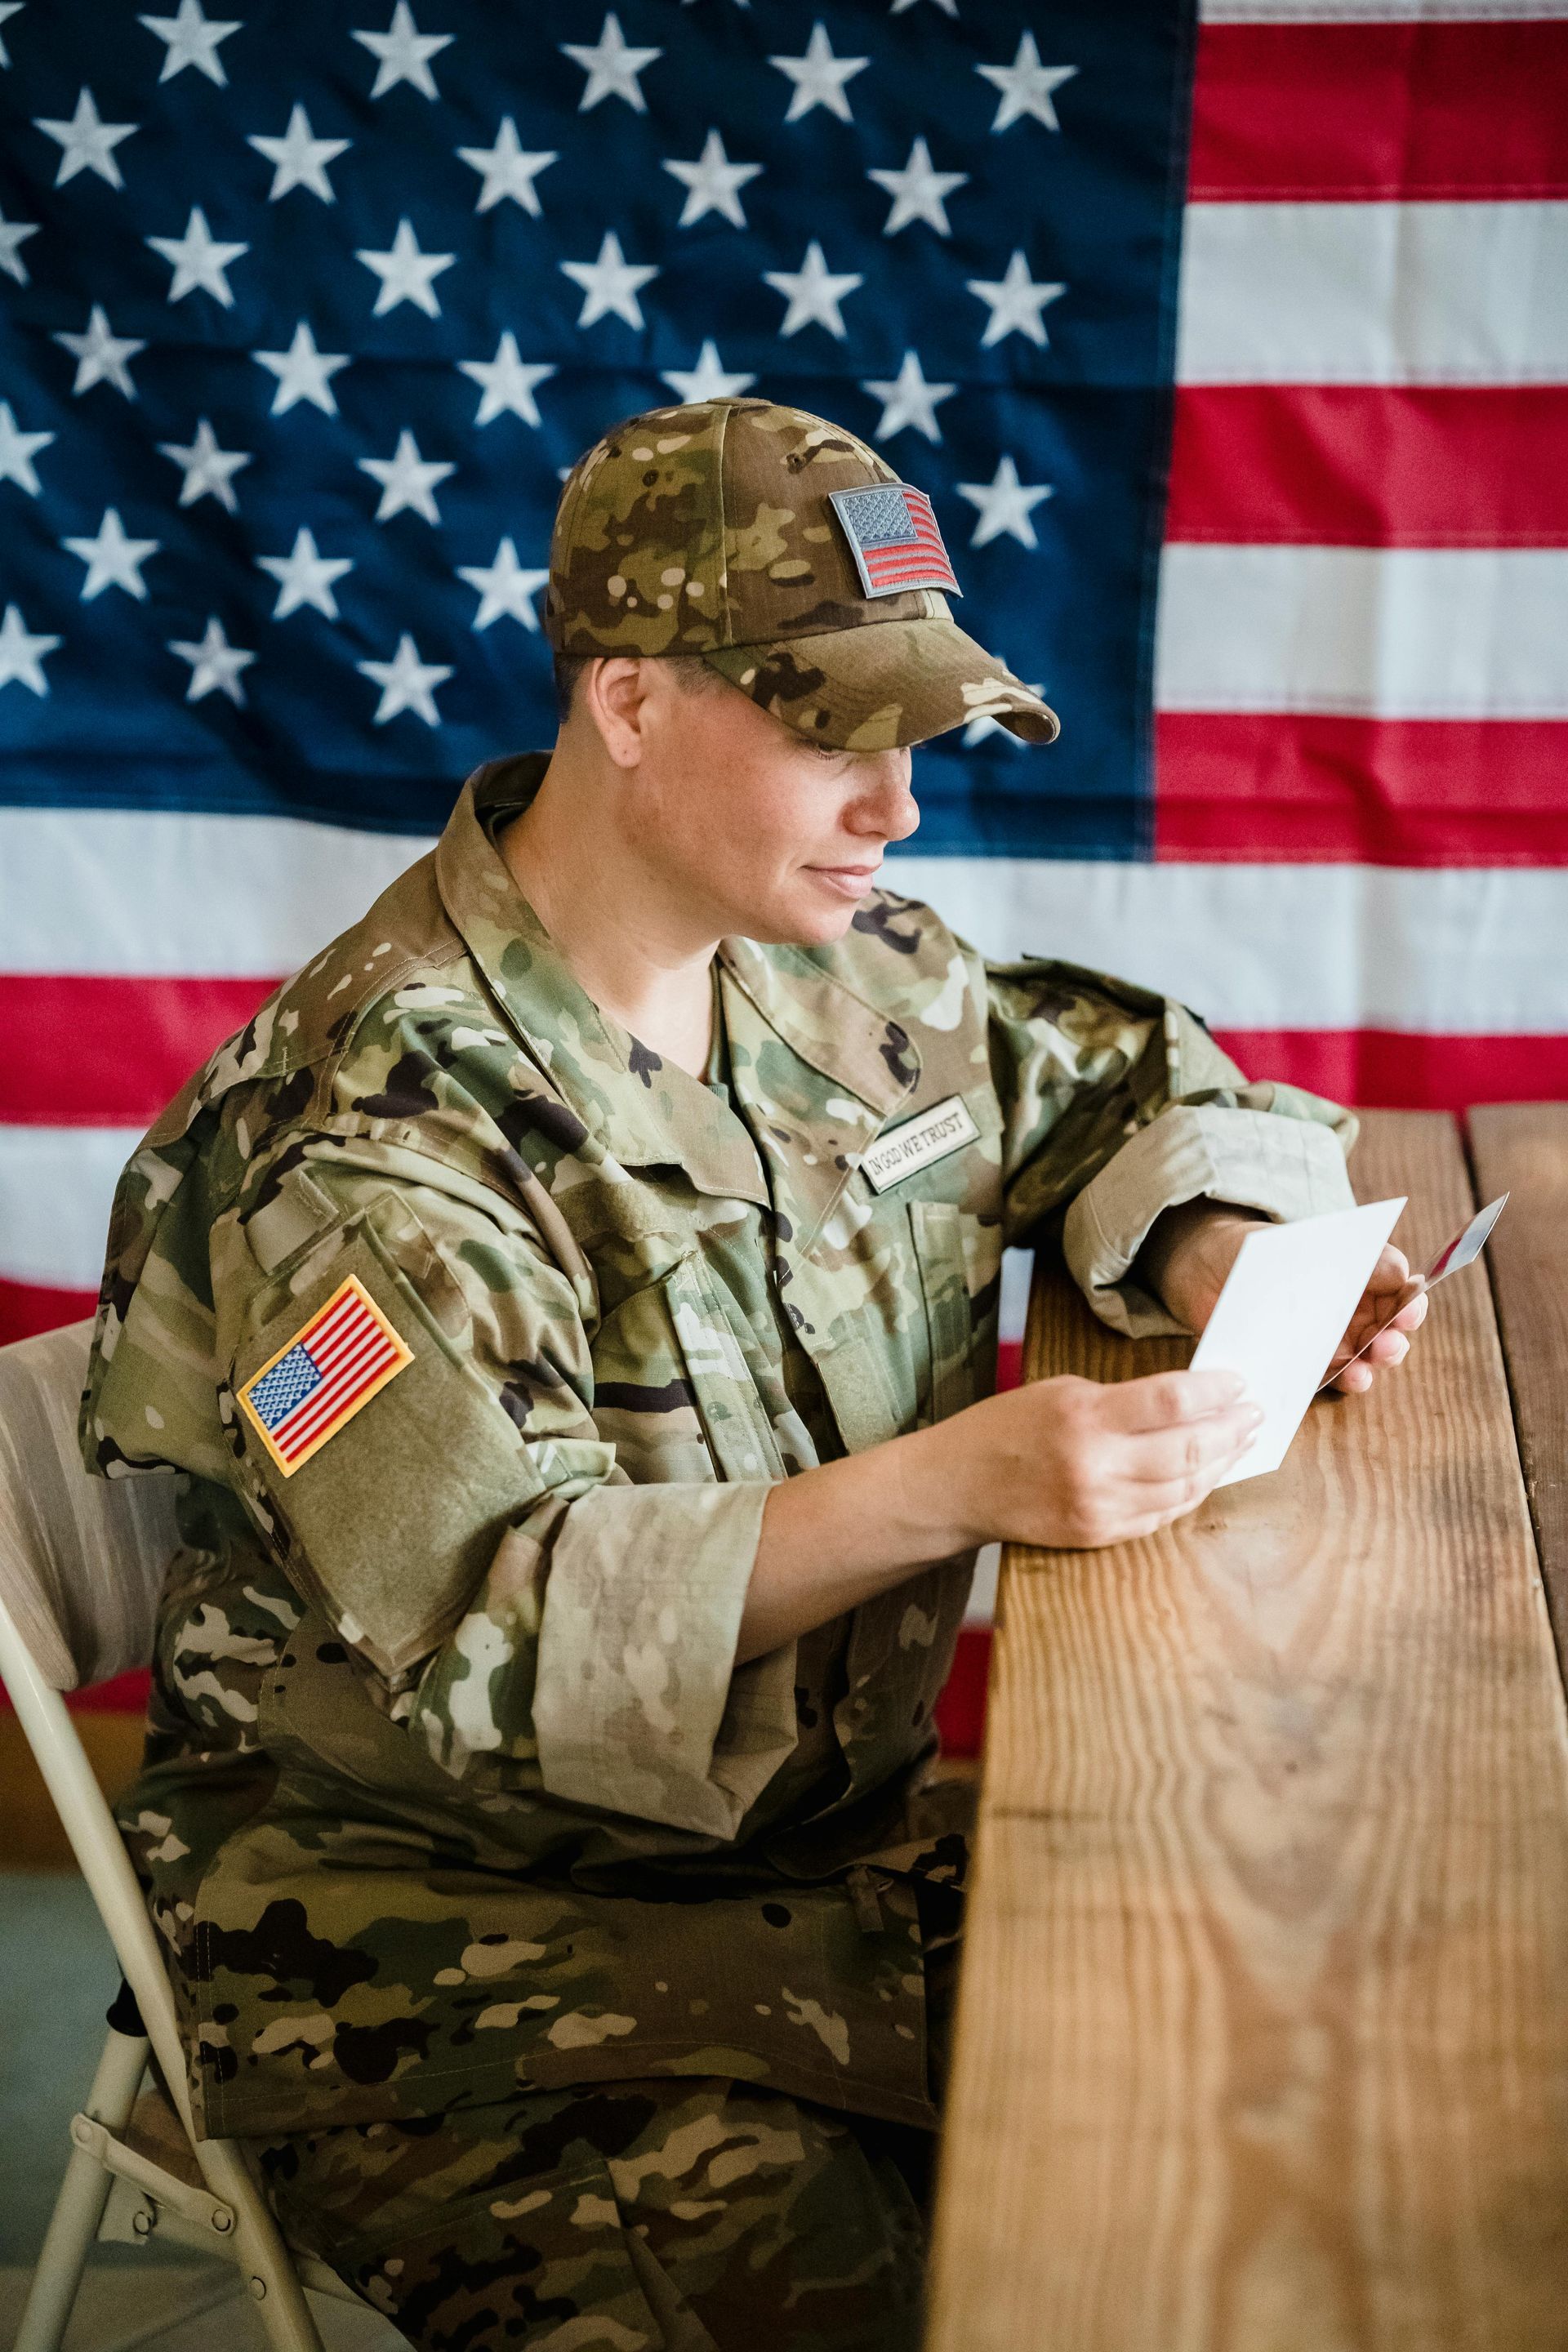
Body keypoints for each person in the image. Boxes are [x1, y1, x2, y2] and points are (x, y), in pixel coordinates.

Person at [80, 397, 1425, 2351]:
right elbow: (503, 1630)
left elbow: (1125, 1080)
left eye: (913, 736)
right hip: (451, 1960)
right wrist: (959, 1483)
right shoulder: (370, 1136)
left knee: (1307, 2121)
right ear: (628, 704)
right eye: (833, 733)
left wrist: (1207, 1239)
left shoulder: (833, 972)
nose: (898, 807)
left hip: (829, 1869)